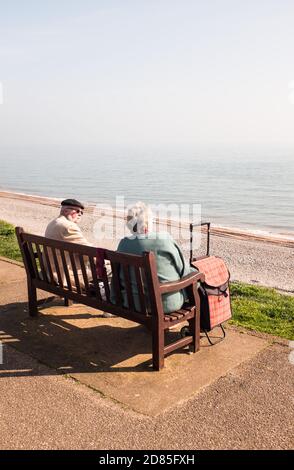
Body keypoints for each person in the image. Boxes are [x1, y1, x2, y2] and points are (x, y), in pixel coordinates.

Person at [115, 201, 193, 314]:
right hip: (165, 304)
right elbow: (183, 270)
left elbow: (118, 274)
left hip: (133, 303)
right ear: (146, 224)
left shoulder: (123, 244)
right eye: (153, 220)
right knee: (196, 275)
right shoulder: (164, 239)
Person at [45, 198, 91, 287]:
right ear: (66, 211)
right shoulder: (69, 226)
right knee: (111, 270)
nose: (80, 214)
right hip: (64, 275)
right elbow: (88, 250)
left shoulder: (53, 223)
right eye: (77, 211)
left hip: (49, 270)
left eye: (82, 212)